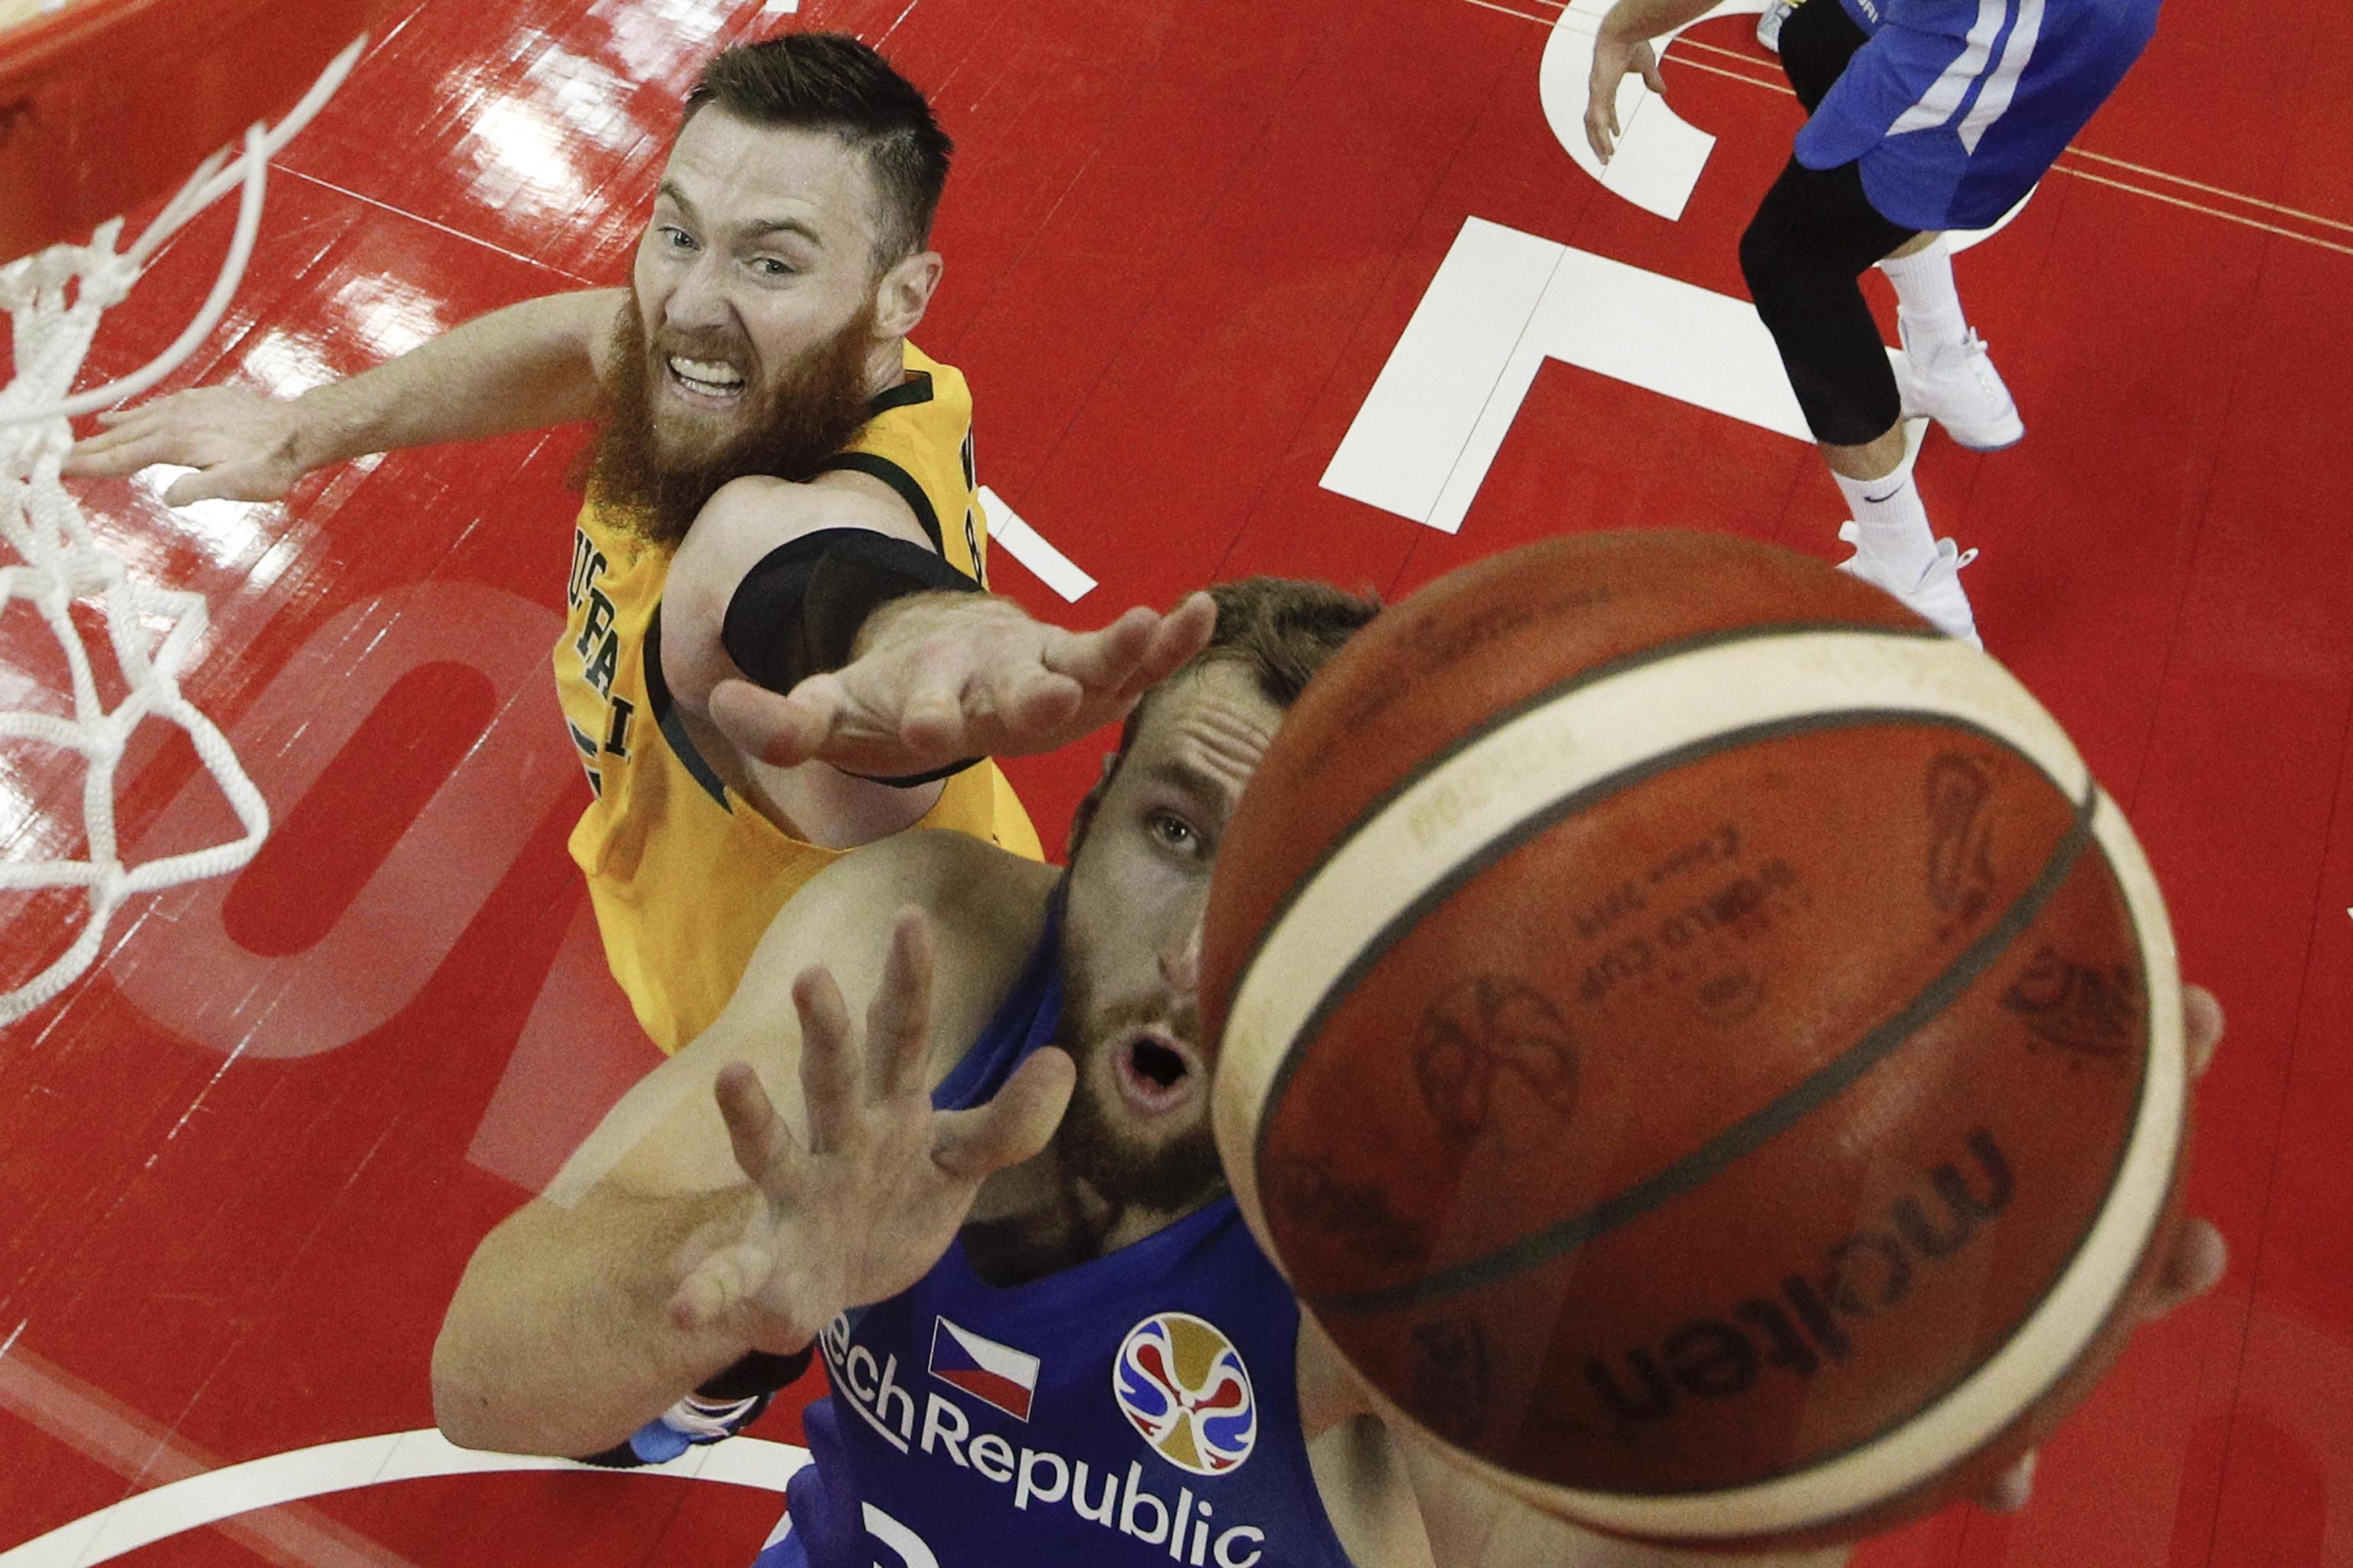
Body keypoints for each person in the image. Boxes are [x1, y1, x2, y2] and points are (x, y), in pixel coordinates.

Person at [431, 573, 2230, 1566]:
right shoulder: (930, 954)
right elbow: (481, 1382)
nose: (1212, 947)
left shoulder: (1446, 1235)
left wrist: (1813, 1423)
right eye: (1174, 827)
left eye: (1299, 877)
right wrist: (733, 1279)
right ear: (1076, 831)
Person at [63, 31, 1213, 1058]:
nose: (689, 300)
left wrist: (924, 635)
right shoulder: (752, 364)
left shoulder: (794, 510)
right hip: (703, 914)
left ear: (900, 295)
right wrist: (305, 425)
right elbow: (591, 337)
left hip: (851, 1052)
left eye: (771, 259)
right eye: (678, 232)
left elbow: (821, 575)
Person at [1585, 0, 2161, 649]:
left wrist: (1622, 29)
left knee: (1788, 264)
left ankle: (1910, 577)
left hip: (2010, 45)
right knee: (1816, 35)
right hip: (2081, 21)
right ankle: (1942, 359)